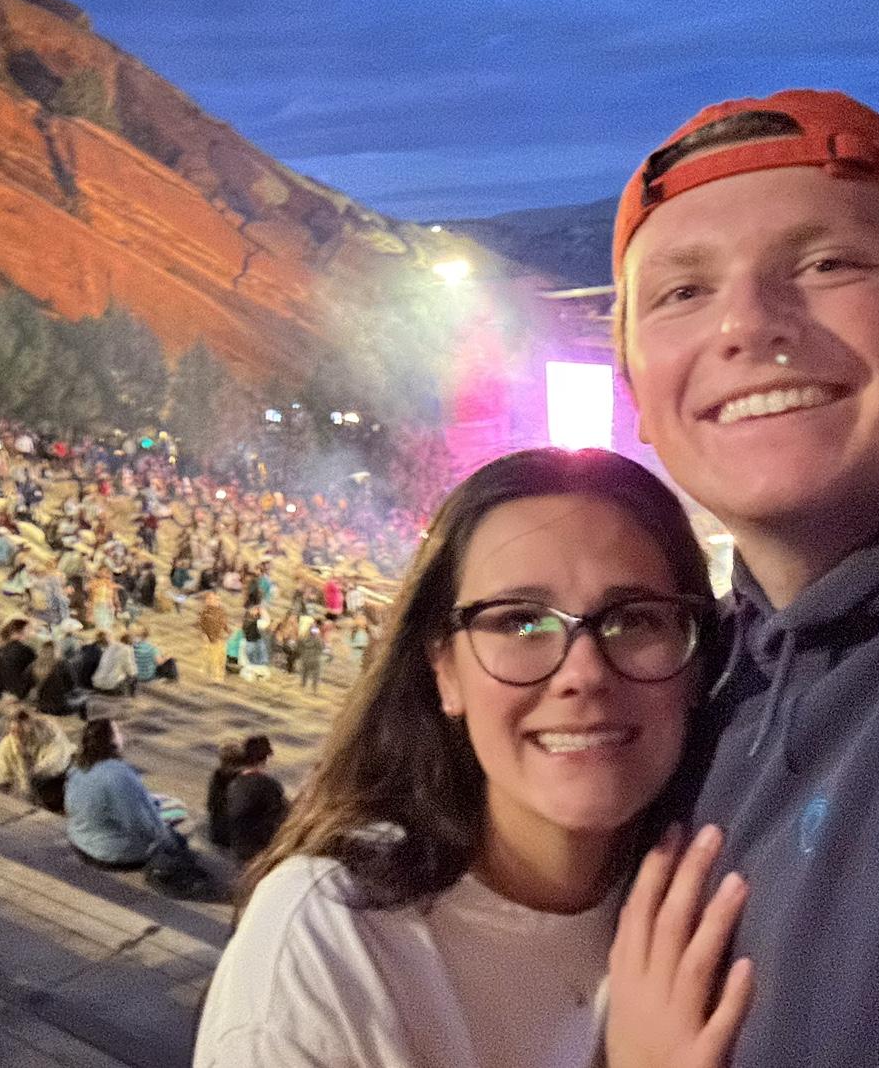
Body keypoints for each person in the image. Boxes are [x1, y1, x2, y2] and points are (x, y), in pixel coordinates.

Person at [608, 88, 879, 1068]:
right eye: (681, 292)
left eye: (829, 263)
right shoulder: (685, 696)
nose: (747, 325)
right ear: (641, 401)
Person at [195, 448, 737, 1068]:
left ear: (697, 663)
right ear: (445, 671)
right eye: (520, 622)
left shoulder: (726, 899)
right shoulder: (330, 941)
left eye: (635, 619)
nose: (583, 673)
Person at [65, 717, 183, 870]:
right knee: (178, 811)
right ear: (111, 741)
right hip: (112, 853)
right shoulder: (119, 774)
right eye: (118, 732)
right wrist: (170, 842)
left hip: (80, 840)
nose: (122, 736)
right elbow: (141, 824)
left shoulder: (78, 768)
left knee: (158, 801)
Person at [0, 707, 75, 811]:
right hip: (30, 788)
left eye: (21, 730)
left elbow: (57, 763)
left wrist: (30, 768)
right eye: (14, 731)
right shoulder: (7, 745)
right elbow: (2, 778)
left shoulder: (50, 734)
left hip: (55, 779)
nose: (18, 735)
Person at [224, 734, 288, 866]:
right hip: (257, 851)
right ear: (265, 759)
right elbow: (282, 819)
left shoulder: (234, 783)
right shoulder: (269, 785)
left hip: (236, 845)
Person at [206, 740, 247, 849]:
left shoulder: (217, 776)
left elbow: (211, 805)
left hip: (217, 833)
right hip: (233, 837)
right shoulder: (242, 779)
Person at [33, 641, 87, 716]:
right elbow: (72, 686)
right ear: (57, 651)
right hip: (59, 708)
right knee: (86, 698)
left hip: (42, 706)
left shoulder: (35, 664)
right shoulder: (64, 664)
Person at [91, 630, 138, 696]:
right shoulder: (127, 649)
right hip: (111, 687)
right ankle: (131, 696)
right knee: (134, 675)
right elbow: (130, 670)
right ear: (131, 642)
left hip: (97, 684)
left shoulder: (110, 646)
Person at [197, 592, 229, 683]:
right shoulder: (205, 612)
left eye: (215, 599)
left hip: (220, 638)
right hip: (211, 638)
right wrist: (204, 635)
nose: (213, 601)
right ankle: (215, 676)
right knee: (213, 657)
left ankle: (220, 676)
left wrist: (228, 632)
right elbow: (201, 624)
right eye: (210, 599)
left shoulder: (221, 611)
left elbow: (224, 623)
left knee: (221, 658)